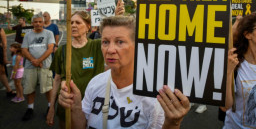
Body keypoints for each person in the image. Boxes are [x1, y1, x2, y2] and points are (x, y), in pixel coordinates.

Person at [58, 16, 190, 129]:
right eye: (105, 42)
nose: (110, 49)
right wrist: (75, 107)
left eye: (119, 42)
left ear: (138, 46)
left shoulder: (154, 97)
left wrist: (172, 124)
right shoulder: (95, 83)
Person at [47, 1, 124, 128]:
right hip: (67, 105)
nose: (73, 25)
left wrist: (115, 18)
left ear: (88, 27)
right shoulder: (62, 50)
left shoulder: (97, 46)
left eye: (78, 22)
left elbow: (113, 38)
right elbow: (56, 80)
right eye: (71, 23)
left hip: (92, 106)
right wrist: (51, 107)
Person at [21, 13, 55, 121]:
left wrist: (40, 61)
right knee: (29, 88)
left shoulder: (49, 33)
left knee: (47, 88)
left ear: (43, 22)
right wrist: (33, 61)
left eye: (40, 21)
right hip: (30, 66)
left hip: (45, 66)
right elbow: (24, 49)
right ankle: (30, 108)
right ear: (32, 23)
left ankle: (50, 107)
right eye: (35, 22)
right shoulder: (27, 35)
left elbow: (50, 49)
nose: (38, 23)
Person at [0, 27, 16, 98]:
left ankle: (9, 90)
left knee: (1, 71)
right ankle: (9, 90)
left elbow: (4, 44)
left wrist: (4, 56)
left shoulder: (0, 29)